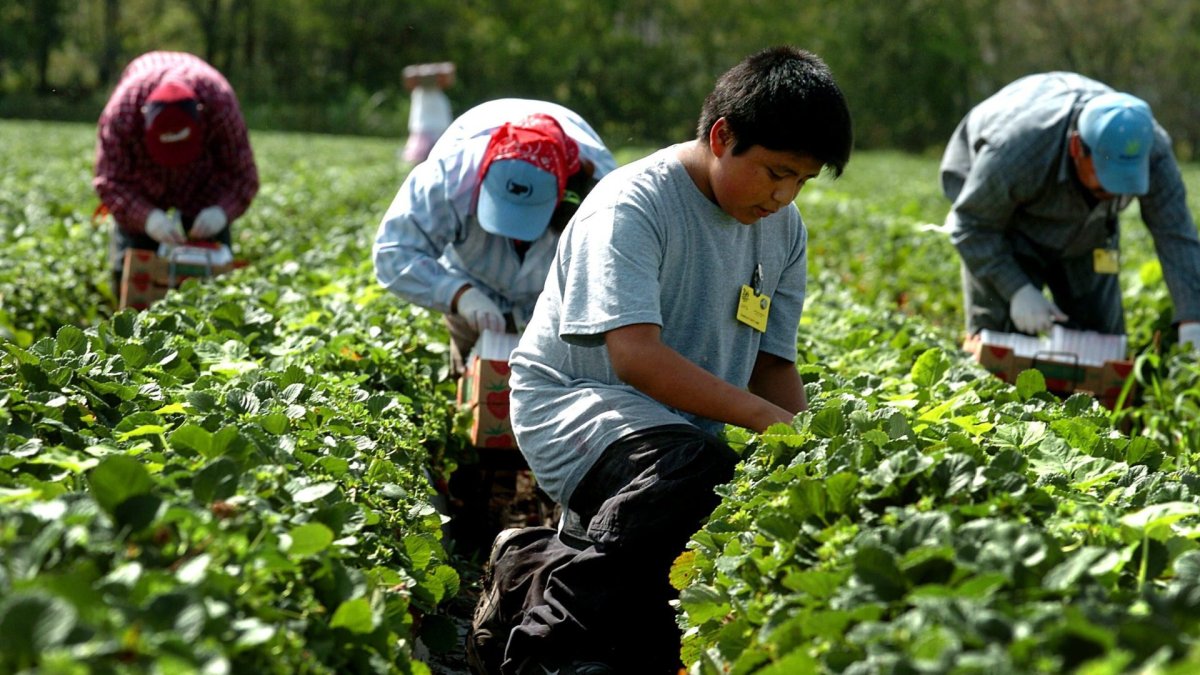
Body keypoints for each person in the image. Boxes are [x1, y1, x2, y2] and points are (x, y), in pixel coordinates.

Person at [467, 46, 853, 675]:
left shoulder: (785, 230)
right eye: (775, 172)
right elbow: (636, 358)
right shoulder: (633, 204)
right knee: (696, 473)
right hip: (572, 405)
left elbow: (773, 367)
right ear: (722, 137)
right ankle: (542, 652)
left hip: (675, 433)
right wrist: (766, 422)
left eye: (802, 181)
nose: (784, 195)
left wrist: (806, 448)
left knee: (659, 616)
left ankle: (525, 572)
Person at [940, 71, 1200, 348]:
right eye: (1105, 183)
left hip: (1090, 232)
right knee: (1001, 346)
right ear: (1077, 147)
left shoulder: (1151, 149)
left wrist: (1193, 321)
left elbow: (1175, 234)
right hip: (1005, 221)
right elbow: (971, 224)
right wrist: (1016, 289)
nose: (1114, 194)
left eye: (1125, 184)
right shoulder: (1017, 150)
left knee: (1100, 346)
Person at [373, 98, 617, 375]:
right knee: (475, 376)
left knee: (556, 379)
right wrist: (458, 295)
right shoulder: (449, 177)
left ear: (561, 192)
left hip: (556, 296)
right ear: (484, 174)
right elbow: (394, 252)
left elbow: (615, 282)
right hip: (472, 276)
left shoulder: (604, 196)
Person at [94, 51, 259, 295]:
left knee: (213, 277)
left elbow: (243, 175)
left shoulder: (220, 105)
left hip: (203, 183)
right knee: (133, 270)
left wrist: (221, 212)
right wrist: (148, 218)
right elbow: (110, 180)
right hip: (143, 184)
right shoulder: (122, 113)